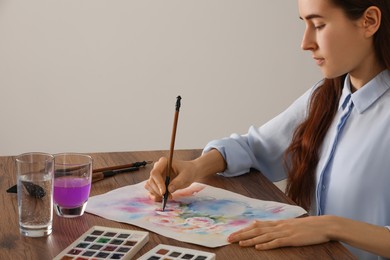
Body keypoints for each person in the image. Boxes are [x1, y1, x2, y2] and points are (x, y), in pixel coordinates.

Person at [144, 0, 390, 259]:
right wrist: (196, 167)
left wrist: (331, 226)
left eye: (318, 25)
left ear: (370, 21)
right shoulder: (328, 96)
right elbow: (255, 147)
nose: (305, 43)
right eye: (305, 24)